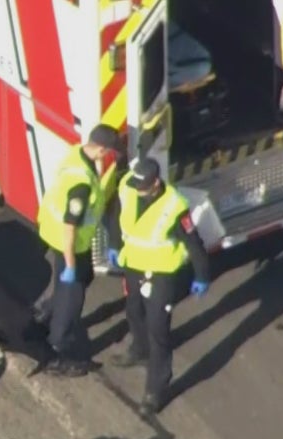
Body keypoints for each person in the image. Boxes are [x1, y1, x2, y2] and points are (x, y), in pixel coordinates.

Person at [107, 157, 211, 415]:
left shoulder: (174, 207)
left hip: (161, 274)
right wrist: (113, 243)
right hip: (132, 265)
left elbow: (193, 244)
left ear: (155, 184)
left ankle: (156, 389)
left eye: (142, 186)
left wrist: (202, 275)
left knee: (158, 330)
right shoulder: (129, 187)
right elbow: (115, 214)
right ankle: (138, 349)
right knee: (133, 311)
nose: (136, 189)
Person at [33, 123, 124, 377]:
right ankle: (56, 350)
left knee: (84, 277)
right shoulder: (81, 184)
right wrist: (71, 264)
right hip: (67, 243)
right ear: (101, 149)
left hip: (67, 239)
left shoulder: (77, 154)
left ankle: (45, 312)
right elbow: (70, 228)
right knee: (71, 299)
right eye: (109, 152)